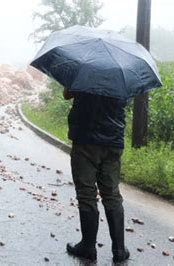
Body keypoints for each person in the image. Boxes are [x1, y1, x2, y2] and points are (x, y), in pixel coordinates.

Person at [63, 88, 130, 263]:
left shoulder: (84, 70)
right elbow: (124, 101)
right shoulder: (121, 76)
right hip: (113, 141)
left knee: (86, 193)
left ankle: (88, 246)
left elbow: (66, 94)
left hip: (86, 139)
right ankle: (119, 250)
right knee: (112, 194)